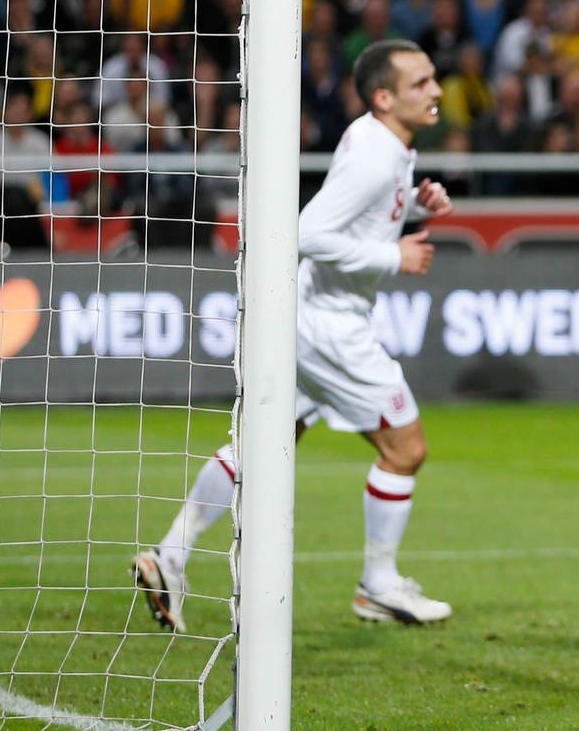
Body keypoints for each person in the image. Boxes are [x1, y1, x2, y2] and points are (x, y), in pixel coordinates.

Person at [134, 39, 456, 630]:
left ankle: (170, 553)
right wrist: (394, 257)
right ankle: (379, 585)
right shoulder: (376, 155)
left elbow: (359, 209)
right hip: (331, 327)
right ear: (384, 96)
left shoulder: (379, 141)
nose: (436, 90)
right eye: (421, 83)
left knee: (268, 441)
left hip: (303, 316)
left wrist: (415, 201)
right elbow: (306, 232)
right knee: (405, 450)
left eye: (434, 79)